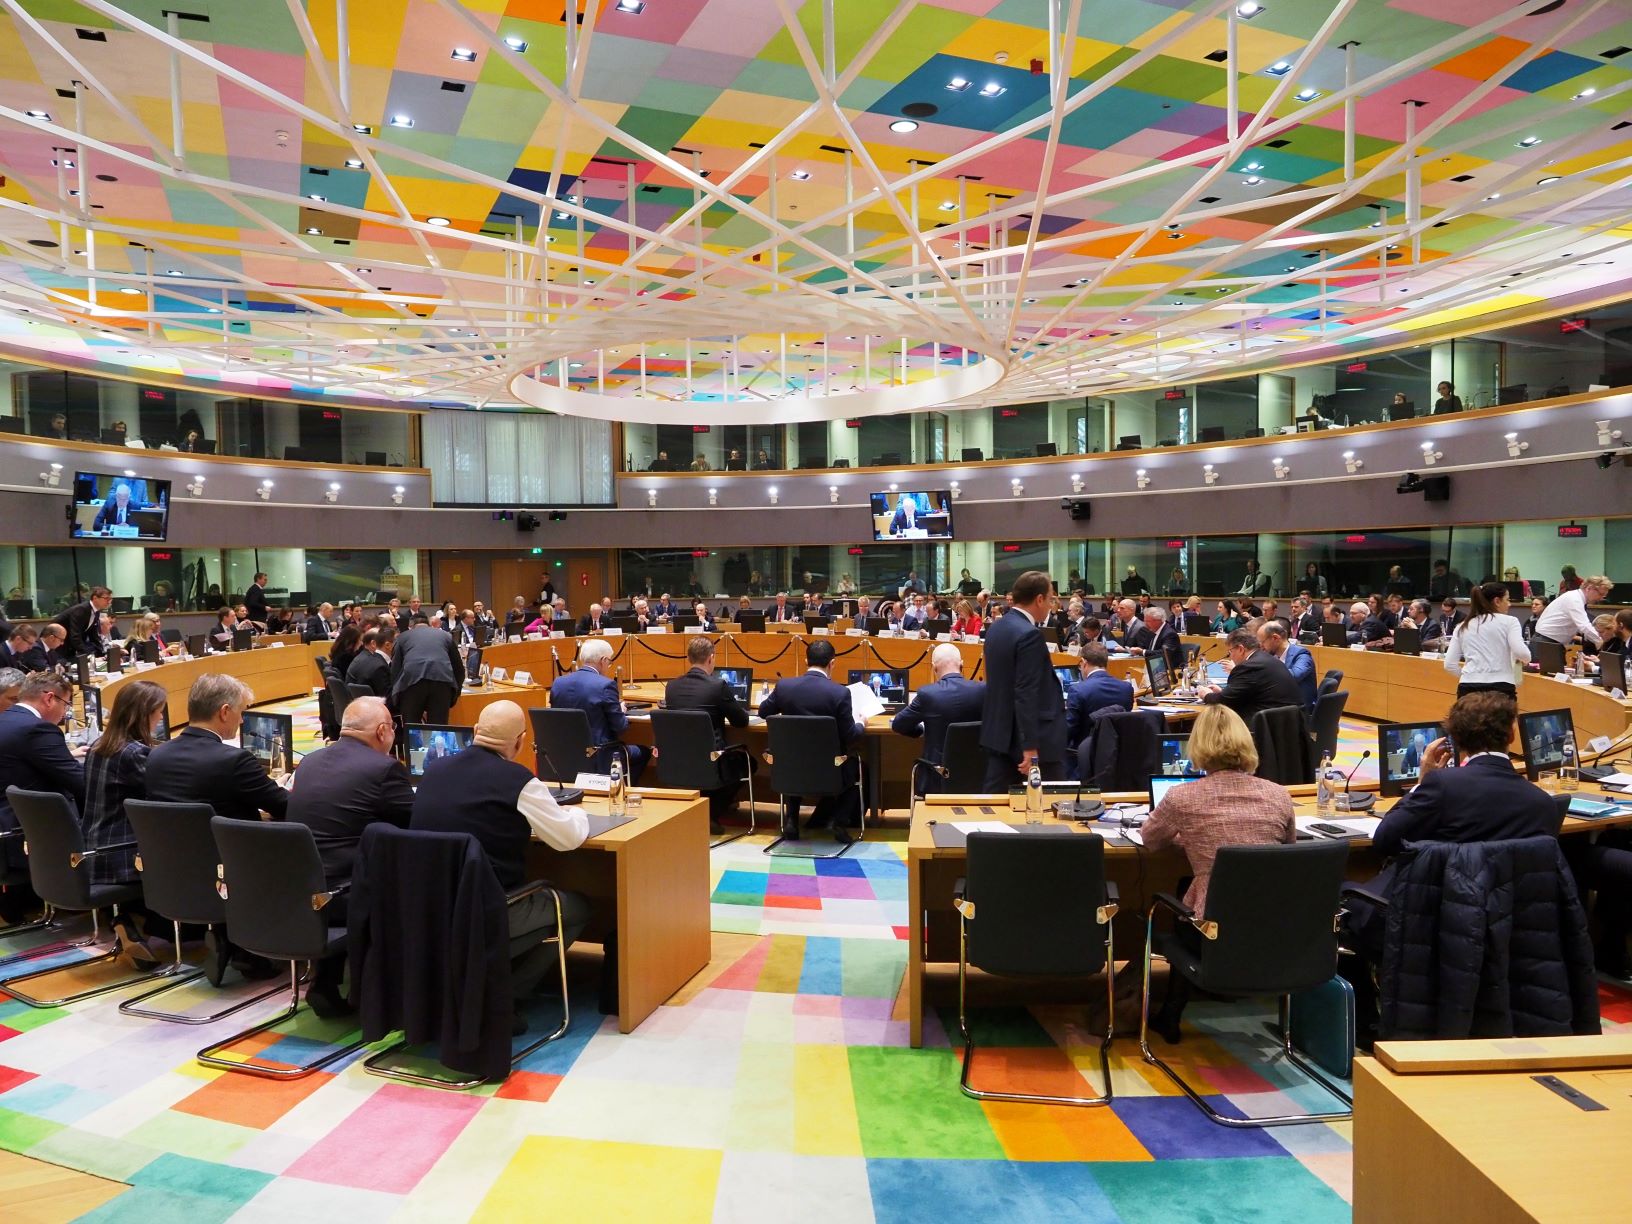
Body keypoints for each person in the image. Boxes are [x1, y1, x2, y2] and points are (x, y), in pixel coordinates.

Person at [1344, 693, 1562, 1036]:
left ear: (1455, 738)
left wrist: (1422, 781)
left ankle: (1363, 1023)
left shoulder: (1442, 786)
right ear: (1511, 735)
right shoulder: (1542, 804)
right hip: (1508, 928)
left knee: (1343, 897)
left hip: (1429, 921)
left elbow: (1385, 839)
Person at [409, 700, 591, 1022]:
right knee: (577, 908)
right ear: (520, 742)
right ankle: (506, 996)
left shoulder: (434, 770)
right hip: (487, 908)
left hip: (427, 908)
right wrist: (577, 814)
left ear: (475, 731)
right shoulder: (518, 779)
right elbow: (568, 839)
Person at [1141, 704, 1296, 1042]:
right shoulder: (1280, 795)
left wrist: (1190, 837)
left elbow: (1150, 840)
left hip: (1211, 928)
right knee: (1194, 885)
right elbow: (1288, 851)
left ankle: (1171, 1013)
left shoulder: (1182, 797)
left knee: (1187, 894)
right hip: (1272, 923)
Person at [286, 696, 414, 1016]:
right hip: (348, 895)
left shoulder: (309, 762)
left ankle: (327, 980)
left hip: (301, 891)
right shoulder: (384, 769)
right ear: (383, 731)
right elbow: (419, 822)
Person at [79, 679, 169, 960]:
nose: (160, 719)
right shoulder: (134, 753)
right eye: (158, 713)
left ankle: (130, 921)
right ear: (143, 715)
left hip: (93, 848)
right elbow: (166, 797)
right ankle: (145, 924)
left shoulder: (99, 745)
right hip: (120, 856)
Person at [758, 638, 864, 842]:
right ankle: (839, 823)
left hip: (789, 770)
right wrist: (861, 722)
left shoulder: (784, 687)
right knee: (859, 767)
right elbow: (851, 735)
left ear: (806, 661)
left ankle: (791, 821)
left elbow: (763, 712)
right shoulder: (840, 693)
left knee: (795, 756)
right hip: (830, 772)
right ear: (832, 663)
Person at [0, 672, 86, 904]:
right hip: (26, 836)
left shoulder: (6, 719)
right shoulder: (37, 729)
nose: (64, 713)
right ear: (49, 698)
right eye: (65, 704)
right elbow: (80, 782)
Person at [979, 570, 1068, 790]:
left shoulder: (997, 627)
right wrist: (1030, 746)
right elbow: (1026, 692)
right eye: (1050, 599)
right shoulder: (1029, 635)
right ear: (1039, 599)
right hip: (1029, 741)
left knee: (997, 799)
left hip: (1000, 734)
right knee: (1051, 803)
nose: (1051, 605)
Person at [663, 635, 755, 833]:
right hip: (711, 760)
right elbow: (741, 722)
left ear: (689, 658)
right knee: (749, 762)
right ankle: (711, 812)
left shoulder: (672, 687)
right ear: (711, 658)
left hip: (678, 760)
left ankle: (702, 808)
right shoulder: (717, 686)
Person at [549, 639, 648, 783]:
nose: (608, 666)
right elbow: (620, 727)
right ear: (603, 660)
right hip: (601, 754)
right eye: (609, 662)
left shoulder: (558, 683)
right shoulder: (605, 685)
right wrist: (620, 711)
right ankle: (620, 790)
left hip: (566, 754)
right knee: (644, 752)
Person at [891, 644, 986, 791]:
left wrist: (920, 730)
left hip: (937, 777)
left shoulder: (927, 694)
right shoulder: (983, 690)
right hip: (976, 774)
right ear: (962, 665)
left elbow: (898, 724)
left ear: (934, 667)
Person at [1201, 627, 1306, 724]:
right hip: (1288, 724)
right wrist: (1223, 692)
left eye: (1230, 651)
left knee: (1214, 723)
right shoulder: (1267, 658)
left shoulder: (1248, 666)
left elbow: (1225, 701)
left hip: (1265, 728)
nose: (1230, 656)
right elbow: (1244, 693)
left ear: (1241, 649)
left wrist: (1206, 695)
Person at [1443, 581, 1529, 697]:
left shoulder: (1462, 626)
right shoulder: (1510, 622)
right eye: (1507, 600)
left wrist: (1469, 676)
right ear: (1497, 601)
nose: (1509, 604)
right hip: (1501, 686)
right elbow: (1522, 653)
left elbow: (1449, 664)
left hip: (1467, 686)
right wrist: (1526, 660)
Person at [389, 615, 463, 724]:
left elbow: (395, 670)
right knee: (438, 727)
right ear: (429, 625)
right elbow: (459, 669)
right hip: (442, 680)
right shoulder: (445, 636)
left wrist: (397, 699)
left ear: (411, 627)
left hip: (411, 682)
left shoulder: (402, 637)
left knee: (412, 726)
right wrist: (454, 695)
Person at [1064, 643, 1134, 751]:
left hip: (1085, 753)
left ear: (1083, 662)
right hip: (1118, 753)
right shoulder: (1126, 688)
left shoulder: (1077, 690)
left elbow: (1068, 731)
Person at [1532, 573, 1612, 649]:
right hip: (1546, 641)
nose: (1601, 598)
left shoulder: (1576, 597)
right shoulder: (1575, 599)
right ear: (1589, 588)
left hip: (1548, 640)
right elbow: (1584, 625)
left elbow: (1580, 627)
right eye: (1601, 594)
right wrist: (1600, 642)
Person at [1256, 618, 1315, 712]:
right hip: (1282, 704)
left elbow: (1293, 676)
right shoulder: (1273, 656)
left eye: (1262, 642)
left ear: (1275, 638)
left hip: (1298, 711)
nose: (1261, 647)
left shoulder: (1302, 654)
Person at [51, 584, 112, 658]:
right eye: (106, 598)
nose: (109, 602)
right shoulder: (81, 610)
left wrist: (102, 654)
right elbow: (75, 635)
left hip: (69, 645)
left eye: (110, 599)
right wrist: (87, 655)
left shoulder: (96, 611)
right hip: (57, 643)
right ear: (95, 598)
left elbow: (93, 635)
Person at [346, 626, 394, 697]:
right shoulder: (379, 667)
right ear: (387, 645)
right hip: (368, 702)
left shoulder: (365, 657)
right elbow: (388, 698)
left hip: (357, 701)